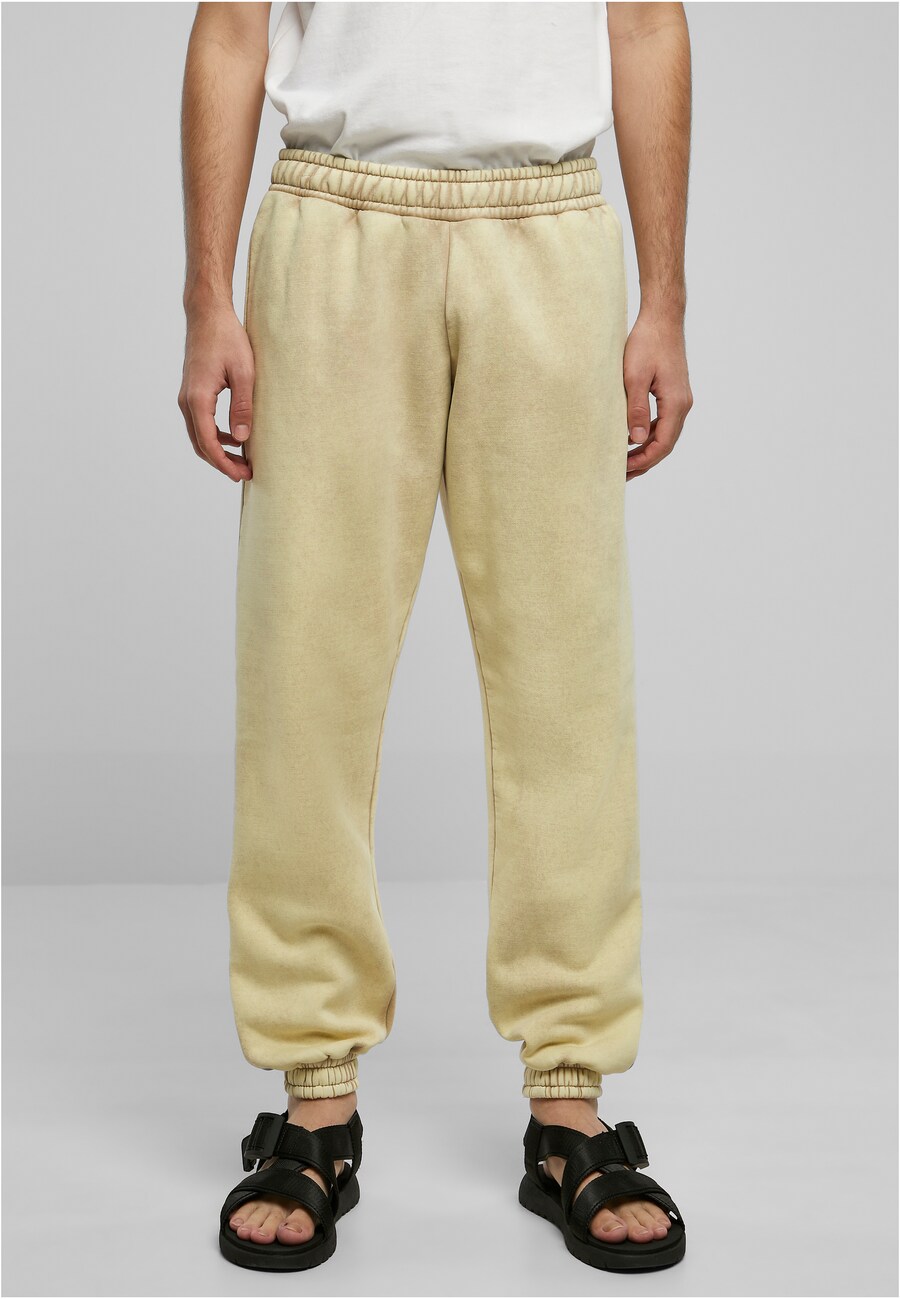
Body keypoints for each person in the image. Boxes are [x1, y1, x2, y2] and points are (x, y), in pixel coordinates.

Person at [179, 0, 693, 1275]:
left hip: (550, 225)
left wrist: (665, 299)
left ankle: (571, 1103)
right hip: (335, 221)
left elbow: (645, 22)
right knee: (306, 680)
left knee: (569, 690)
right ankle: (315, 1102)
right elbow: (232, 27)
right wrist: (206, 298)